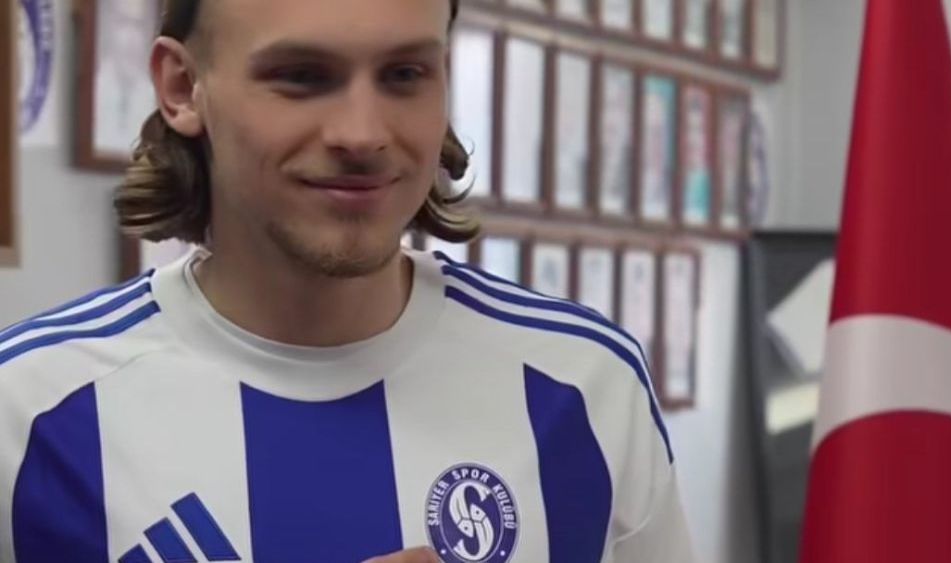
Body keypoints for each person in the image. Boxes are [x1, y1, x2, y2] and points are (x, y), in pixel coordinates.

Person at [0, 1, 695, 562]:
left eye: (405, 74)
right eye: (303, 76)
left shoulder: (585, 383)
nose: (362, 134)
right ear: (183, 87)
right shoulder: (27, 410)